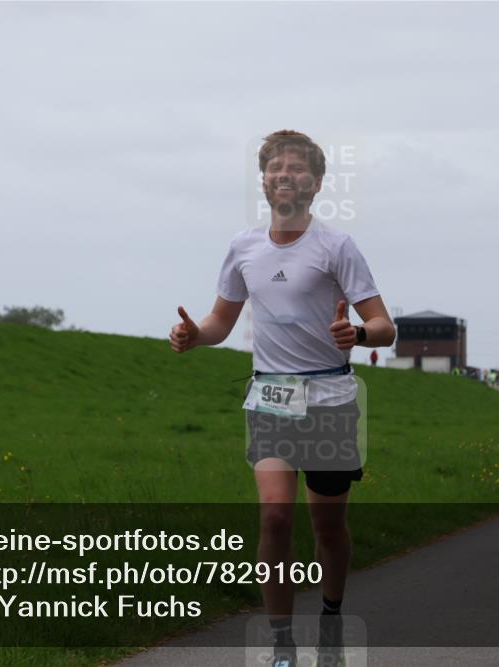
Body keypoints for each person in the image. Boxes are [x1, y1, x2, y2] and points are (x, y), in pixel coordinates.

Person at [170, 130, 395, 667]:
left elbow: (384, 325)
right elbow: (221, 321)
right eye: (276, 168)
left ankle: (332, 619)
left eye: (297, 169)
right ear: (264, 181)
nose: (285, 175)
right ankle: (281, 644)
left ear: (316, 184)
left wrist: (358, 336)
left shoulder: (336, 247)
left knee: (327, 526)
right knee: (274, 516)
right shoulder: (243, 246)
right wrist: (193, 336)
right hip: (271, 396)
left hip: (330, 397)